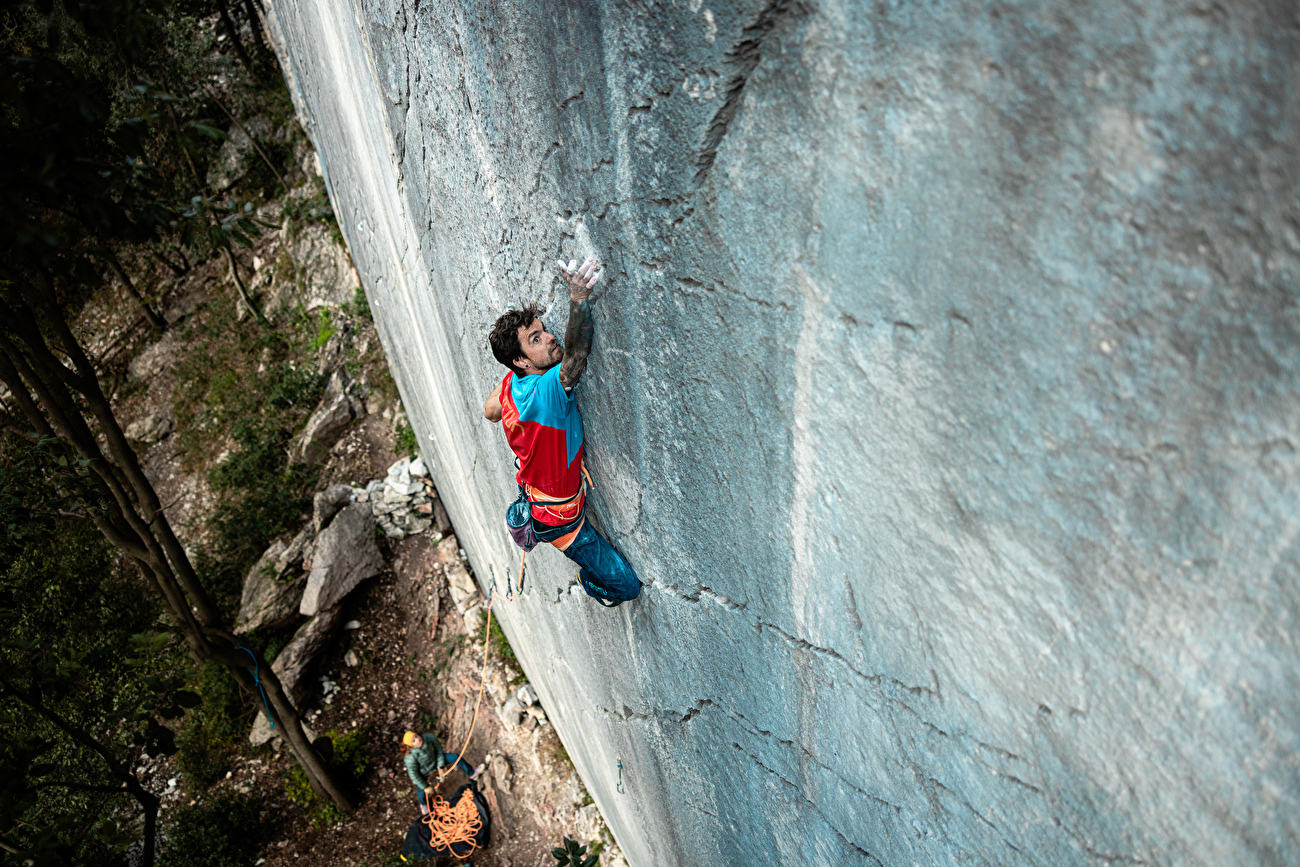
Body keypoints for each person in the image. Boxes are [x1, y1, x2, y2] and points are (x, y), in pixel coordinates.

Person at [482, 255, 641, 607]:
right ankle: (591, 581)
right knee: (627, 588)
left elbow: (490, 411)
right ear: (522, 361)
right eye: (536, 339)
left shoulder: (513, 385)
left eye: (544, 331)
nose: (551, 338)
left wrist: (513, 372)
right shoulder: (549, 392)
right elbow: (576, 356)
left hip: (538, 492)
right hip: (560, 522)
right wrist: (579, 298)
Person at [402, 730, 474, 816]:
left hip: (436, 761)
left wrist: (440, 766)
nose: (417, 739)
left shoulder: (428, 738)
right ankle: (423, 803)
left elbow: (439, 749)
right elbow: (414, 775)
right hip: (423, 773)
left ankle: (472, 773)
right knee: (422, 791)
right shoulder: (410, 758)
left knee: (455, 757)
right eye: (413, 741)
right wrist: (425, 786)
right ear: (411, 746)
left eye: (416, 736)